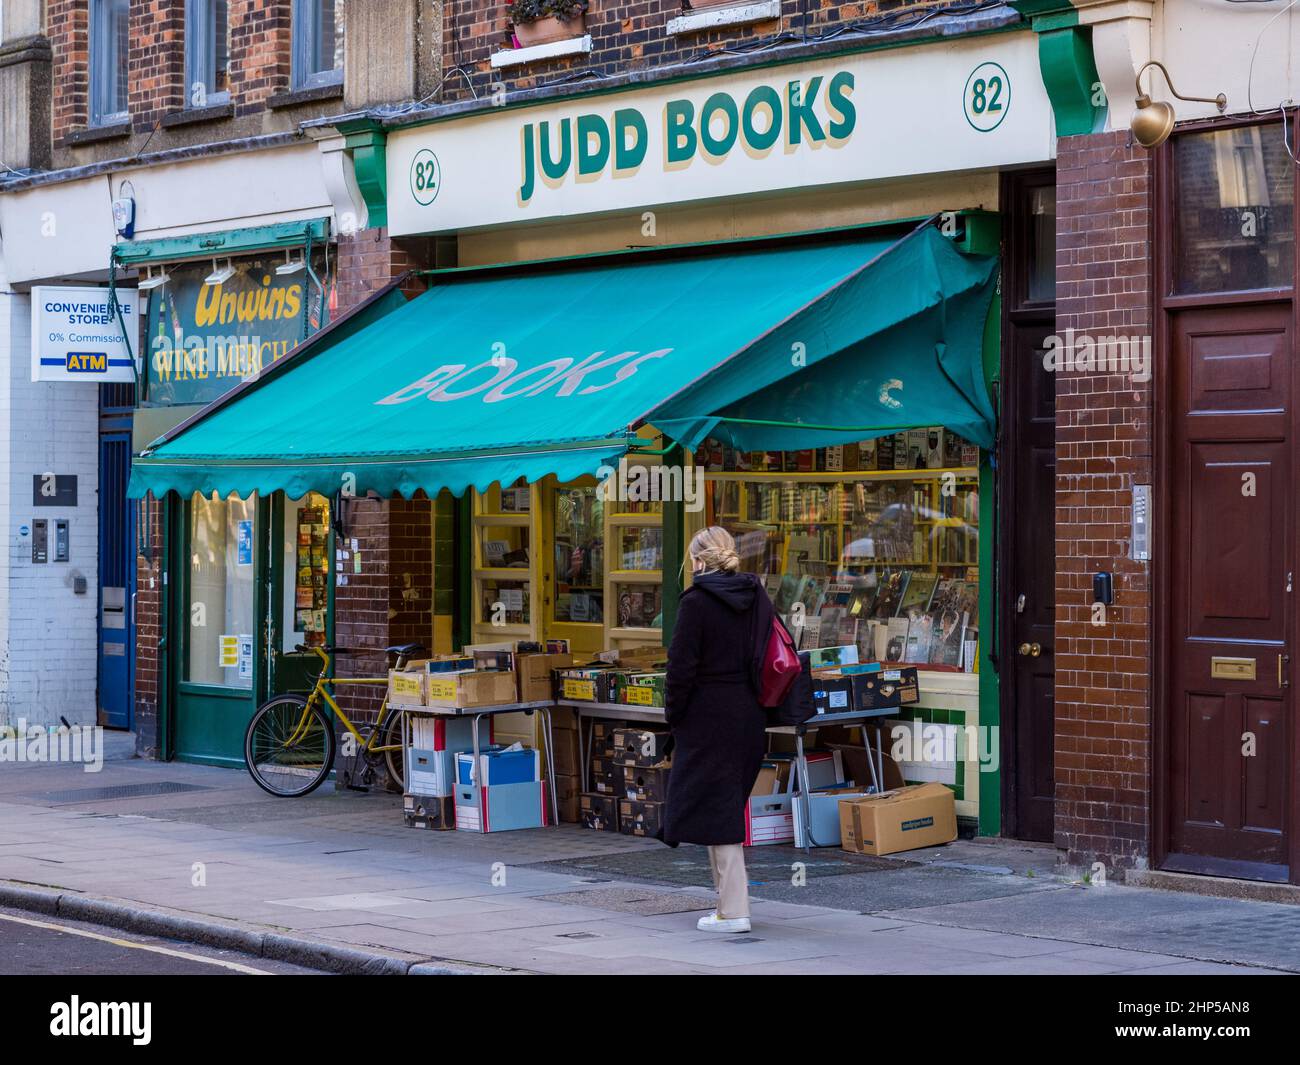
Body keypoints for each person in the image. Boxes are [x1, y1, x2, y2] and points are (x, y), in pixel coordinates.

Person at [662, 526, 773, 933]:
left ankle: (735, 910)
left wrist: (674, 716)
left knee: (719, 809)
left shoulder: (695, 602)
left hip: (708, 715)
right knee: (721, 804)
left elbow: (680, 670)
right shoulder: (756, 595)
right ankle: (726, 905)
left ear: (695, 560)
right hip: (748, 712)